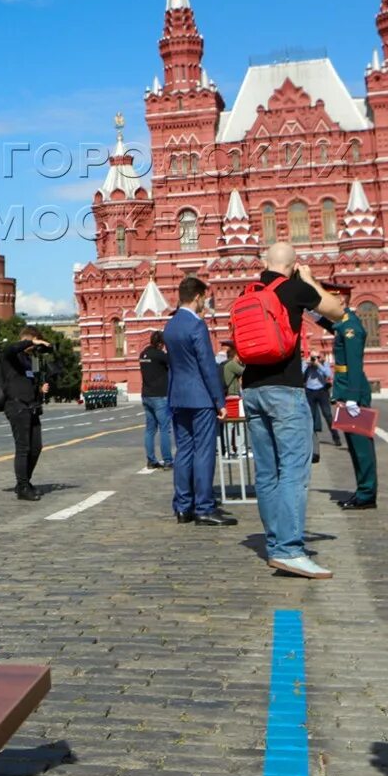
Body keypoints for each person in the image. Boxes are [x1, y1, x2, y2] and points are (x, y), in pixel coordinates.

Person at [242, 243, 343, 578]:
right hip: (284, 391)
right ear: (294, 264)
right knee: (294, 472)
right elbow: (337, 311)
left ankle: (275, 544)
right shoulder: (295, 288)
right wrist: (311, 280)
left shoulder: (248, 292)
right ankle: (289, 550)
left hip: (251, 389)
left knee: (267, 473)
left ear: (264, 263)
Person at [164, 277, 237, 526]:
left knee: (184, 451)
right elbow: (207, 365)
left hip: (178, 396)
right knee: (204, 452)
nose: (204, 303)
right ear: (197, 297)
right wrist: (220, 401)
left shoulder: (170, 325)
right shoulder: (197, 326)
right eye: (204, 298)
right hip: (201, 398)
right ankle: (204, 506)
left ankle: (183, 506)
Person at [321, 288, 375, 510]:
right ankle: (363, 490)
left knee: (361, 446)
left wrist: (352, 397)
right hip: (346, 389)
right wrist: (311, 312)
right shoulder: (343, 323)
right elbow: (330, 325)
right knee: (354, 445)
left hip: (354, 391)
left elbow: (354, 365)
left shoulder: (351, 327)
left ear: (340, 299)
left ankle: (367, 493)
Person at [0, 326, 52, 501]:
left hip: (31, 406)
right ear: (27, 340)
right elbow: (10, 348)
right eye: (33, 344)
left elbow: (27, 383)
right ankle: (23, 486)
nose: (34, 348)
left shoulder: (29, 360)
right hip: (17, 407)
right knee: (23, 448)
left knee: (36, 447)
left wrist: (40, 389)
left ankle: (23, 482)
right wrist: (31, 342)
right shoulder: (9, 356)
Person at [137, 329, 172, 470]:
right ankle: (168, 460)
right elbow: (172, 362)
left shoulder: (143, 354)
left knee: (150, 430)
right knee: (164, 429)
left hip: (146, 395)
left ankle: (151, 460)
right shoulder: (160, 355)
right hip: (160, 396)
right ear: (161, 343)